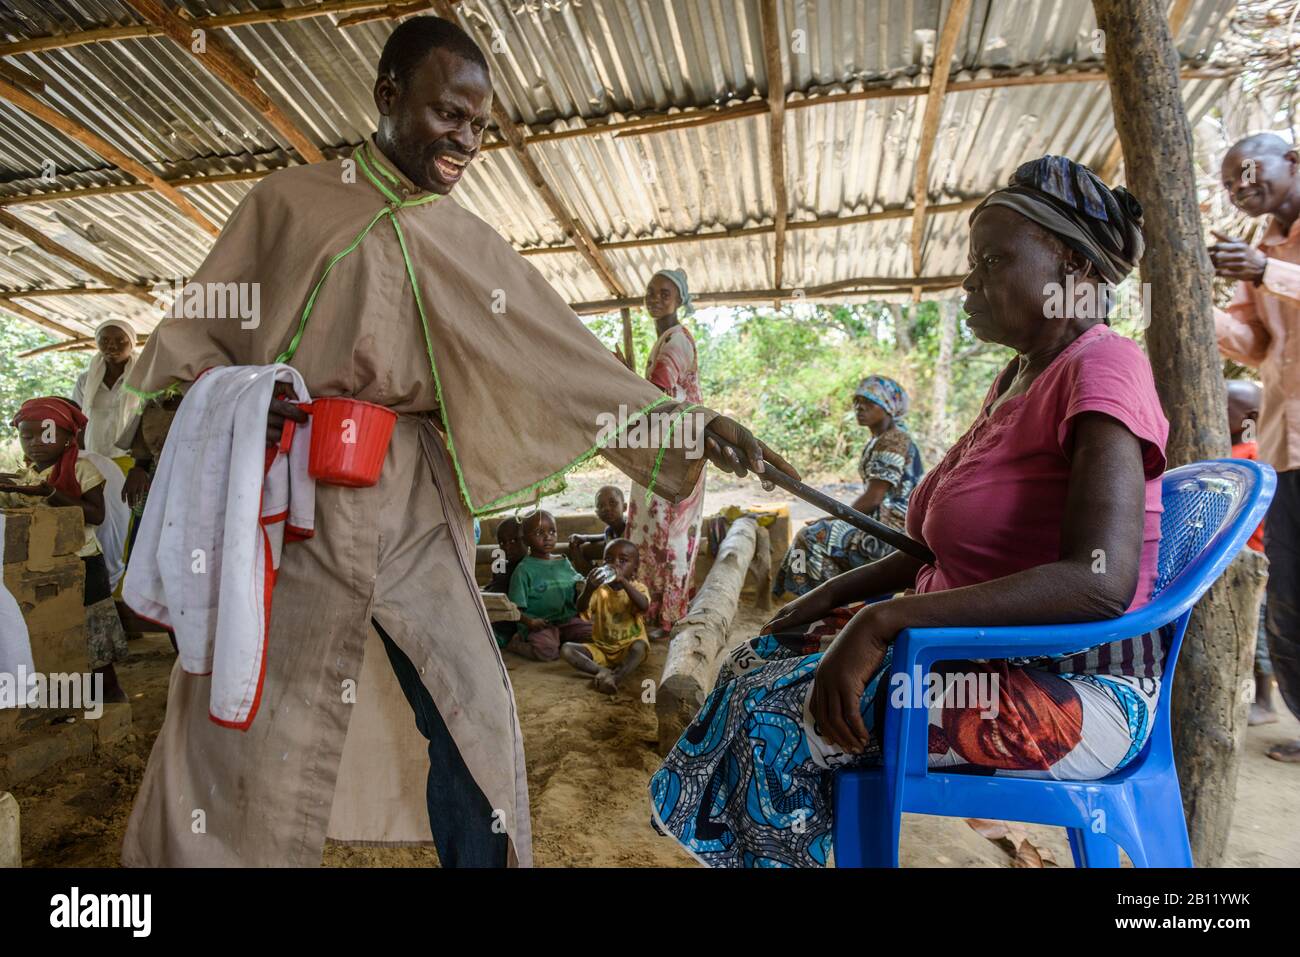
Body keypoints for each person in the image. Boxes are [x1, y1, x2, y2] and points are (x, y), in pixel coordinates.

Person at [119, 18, 793, 868]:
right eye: (449, 115)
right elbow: (193, 355)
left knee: (472, 707)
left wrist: (696, 425)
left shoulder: (466, 244)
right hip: (287, 506)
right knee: (249, 722)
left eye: (480, 125)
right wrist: (249, 401)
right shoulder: (286, 204)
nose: (467, 140)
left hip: (411, 507)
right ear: (388, 96)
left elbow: (568, 364)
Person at [651, 156, 1169, 867]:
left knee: (781, 711)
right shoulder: (1019, 378)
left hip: (1073, 690)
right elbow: (938, 550)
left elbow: (1098, 580)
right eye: (972, 259)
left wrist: (885, 618)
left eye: (993, 259)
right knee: (758, 657)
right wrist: (836, 594)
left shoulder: (1103, 366)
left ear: (1074, 266)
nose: (970, 279)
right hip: (983, 658)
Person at [1210, 133, 1300, 762]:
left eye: (1248, 173)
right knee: (1290, 601)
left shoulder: (1268, 261)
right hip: (1287, 449)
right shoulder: (1260, 248)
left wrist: (1266, 271)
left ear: (1292, 161)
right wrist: (1192, 289)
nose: (1241, 188)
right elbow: (1256, 346)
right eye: (1231, 185)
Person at [0, 398, 129, 702]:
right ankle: (69, 700)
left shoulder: (82, 469)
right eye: (26, 436)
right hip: (48, 565)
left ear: (69, 438)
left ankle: (111, 697)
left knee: (93, 637)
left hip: (85, 563)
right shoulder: (28, 474)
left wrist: (50, 493)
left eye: (46, 435)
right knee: (57, 632)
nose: (35, 444)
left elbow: (95, 515)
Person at [773, 375, 923, 597]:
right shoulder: (884, 438)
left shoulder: (893, 440)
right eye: (857, 402)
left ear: (888, 406)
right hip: (885, 524)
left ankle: (814, 602)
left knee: (812, 536)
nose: (859, 408)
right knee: (816, 534)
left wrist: (831, 519)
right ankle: (830, 600)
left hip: (891, 533)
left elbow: (874, 497)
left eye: (869, 402)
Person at [626, 269, 707, 638]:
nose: (655, 298)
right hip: (664, 447)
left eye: (665, 293)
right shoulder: (666, 338)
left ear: (680, 300)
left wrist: (616, 375)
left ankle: (667, 616)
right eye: (650, 291)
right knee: (653, 529)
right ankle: (653, 608)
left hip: (676, 452)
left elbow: (655, 392)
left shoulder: (676, 341)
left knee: (669, 534)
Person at [1226, 380, 1275, 725]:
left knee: (1256, 637)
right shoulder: (1229, 449)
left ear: (1250, 416)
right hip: (1234, 557)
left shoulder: (1254, 454)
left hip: (1254, 559)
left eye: (1225, 404)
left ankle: (1266, 702)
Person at [562, 538, 650, 694]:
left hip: (627, 649)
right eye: (609, 559)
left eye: (622, 561)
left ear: (635, 568)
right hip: (601, 649)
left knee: (640, 647)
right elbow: (580, 609)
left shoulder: (637, 588)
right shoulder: (599, 590)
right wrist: (588, 588)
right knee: (567, 649)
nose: (614, 564)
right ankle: (601, 671)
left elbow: (643, 606)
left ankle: (616, 677)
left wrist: (623, 581)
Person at [506, 510, 591, 661]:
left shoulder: (563, 562)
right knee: (547, 652)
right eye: (539, 533)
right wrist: (530, 622)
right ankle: (517, 644)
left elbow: (579, 582)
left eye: (552, 531)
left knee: (594, 634)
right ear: (525, 540)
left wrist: (585, 585)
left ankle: (561, 640)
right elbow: (514, 609)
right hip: (540, 625)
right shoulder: (524, 570)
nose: (548, 537)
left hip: (567, 619)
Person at [567, 484, 627, 573]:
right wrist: (585, 538)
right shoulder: (609, 532)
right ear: (597, 513)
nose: (606, 508)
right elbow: (607, 536)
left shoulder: (632, 528)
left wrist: (585, 538)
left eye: (612, 503)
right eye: (601, 505)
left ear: (625, 507)